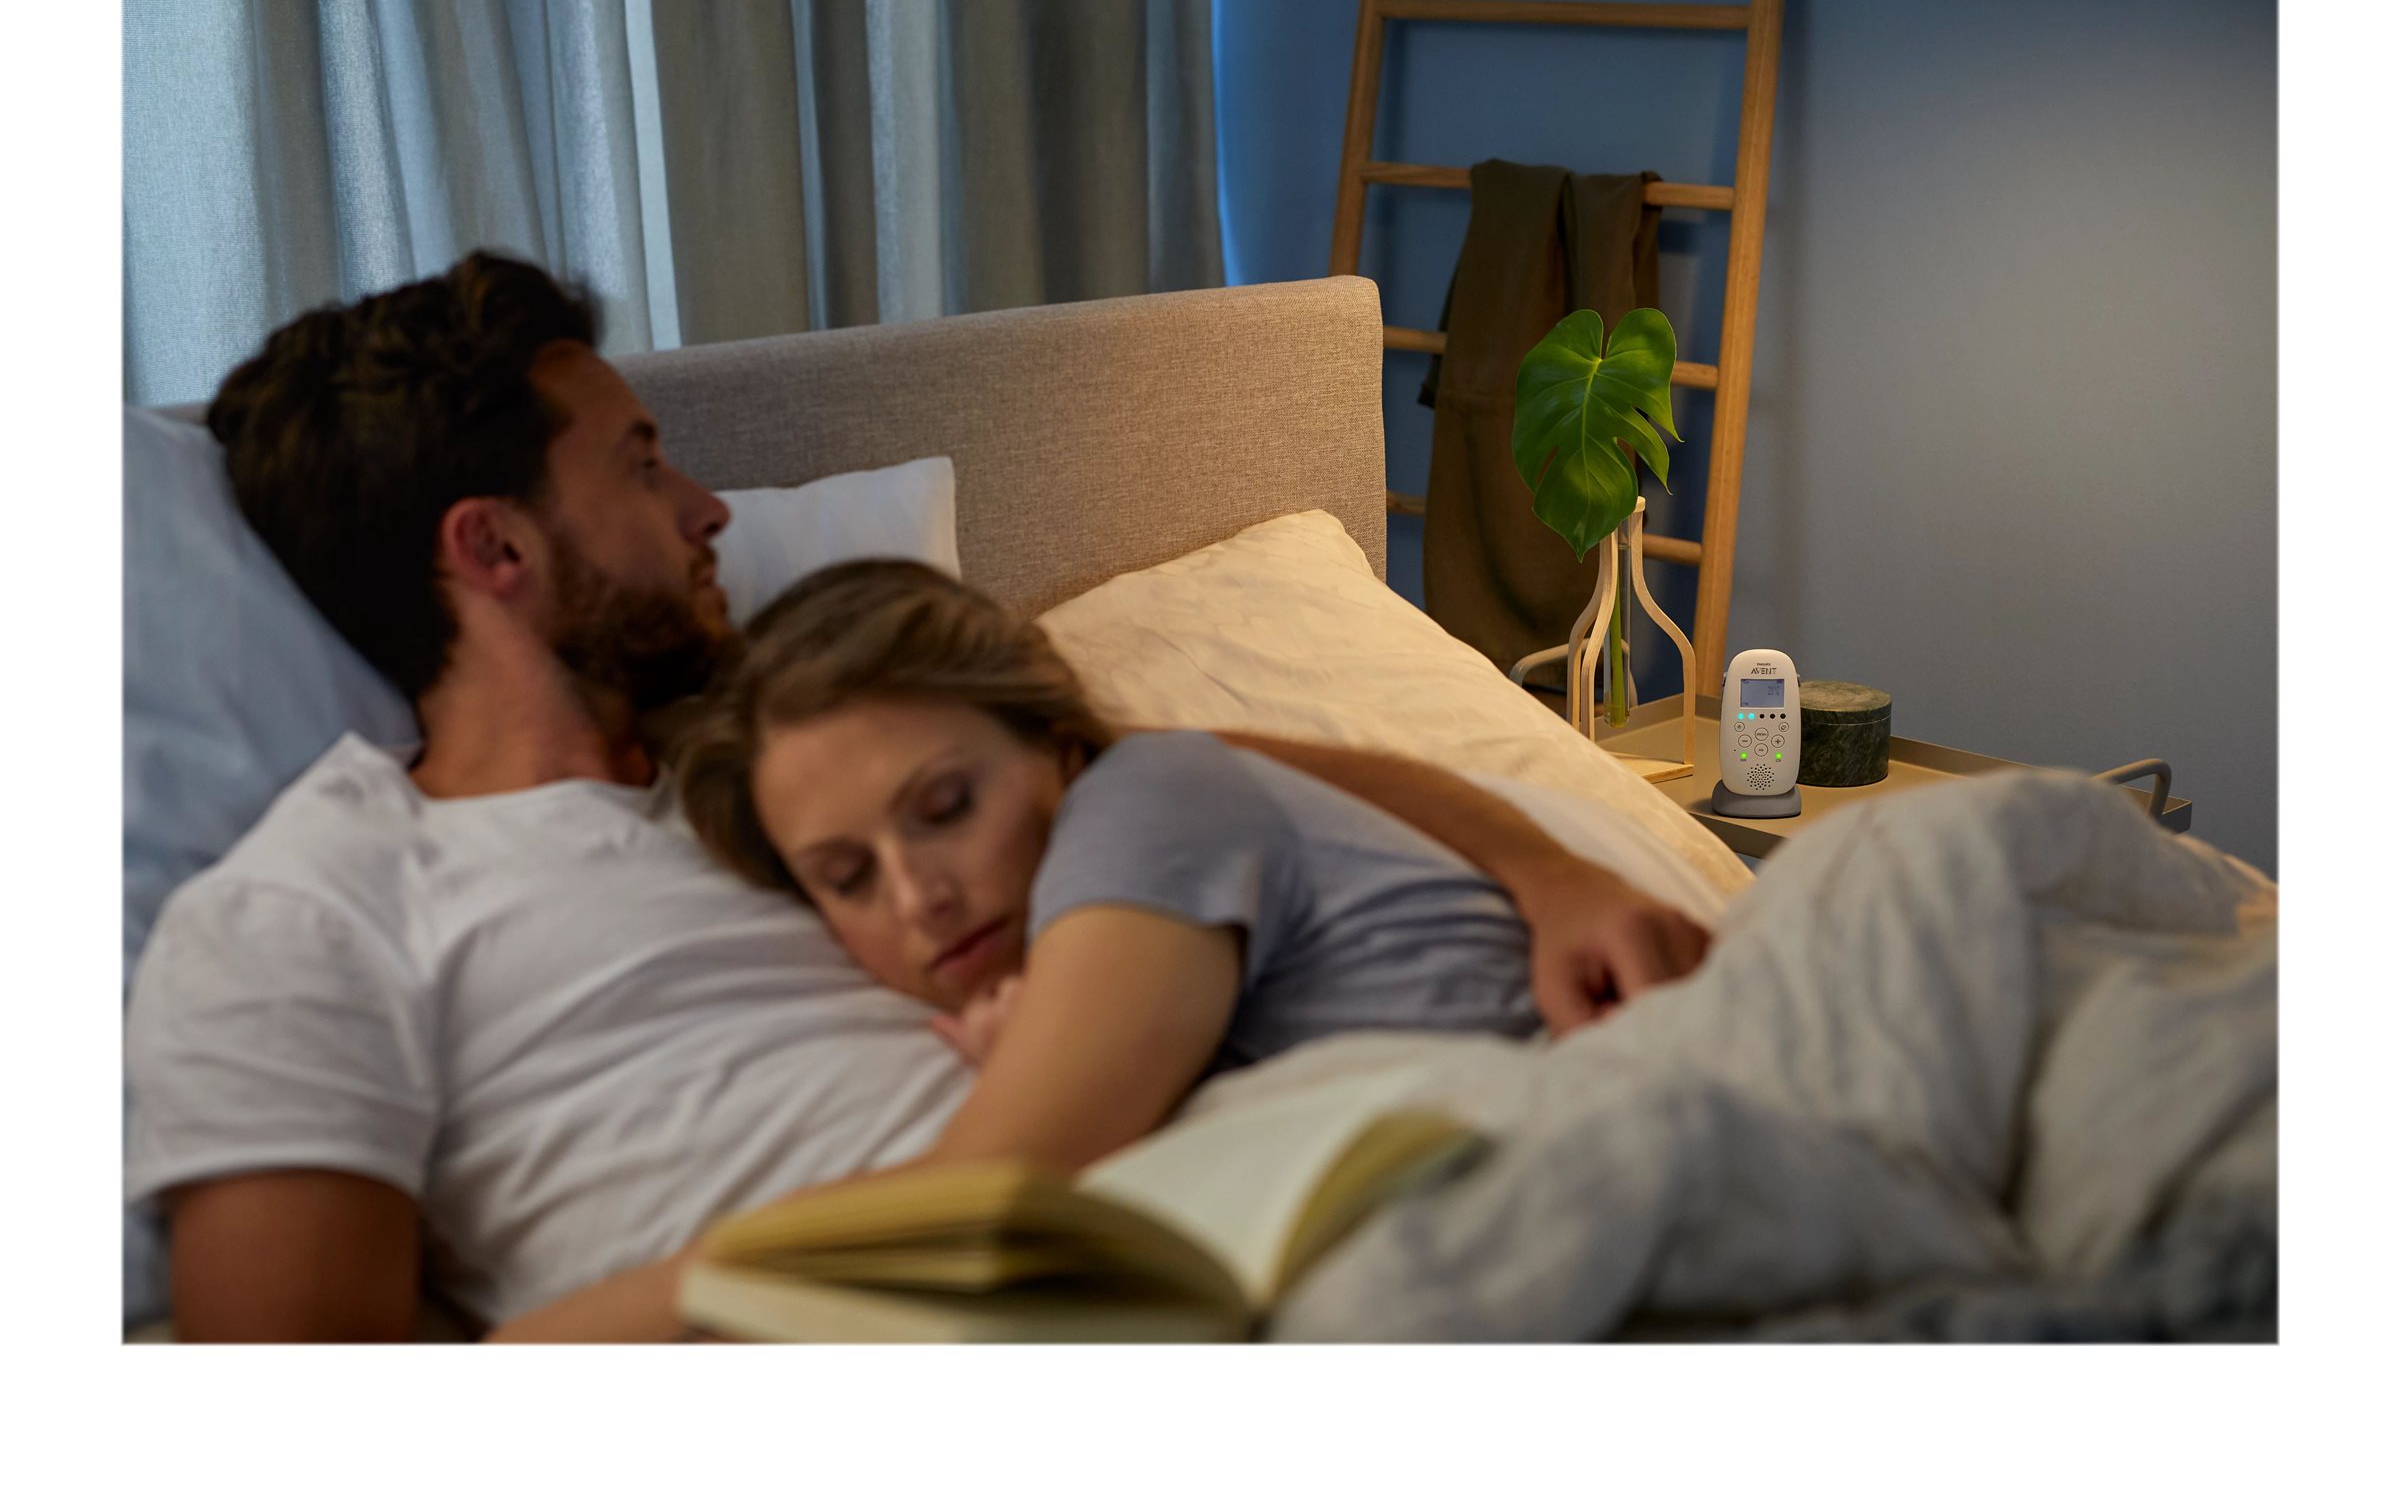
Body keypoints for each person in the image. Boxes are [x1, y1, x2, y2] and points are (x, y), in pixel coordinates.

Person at [125, 250, 1708, 1343]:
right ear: (493, 547)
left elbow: (1178, 774)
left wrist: (1550, 872)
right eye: (642, 464)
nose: (708, 508)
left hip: (1226, 1220)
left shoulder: (789, 743)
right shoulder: (307, 912)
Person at [675, 559, 1715, 1183]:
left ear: (1056, 750)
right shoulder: (1131, 876)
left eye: (946, 808)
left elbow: (978, 1194)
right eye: (846, 876)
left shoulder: (1138, 801)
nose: (919, 899)